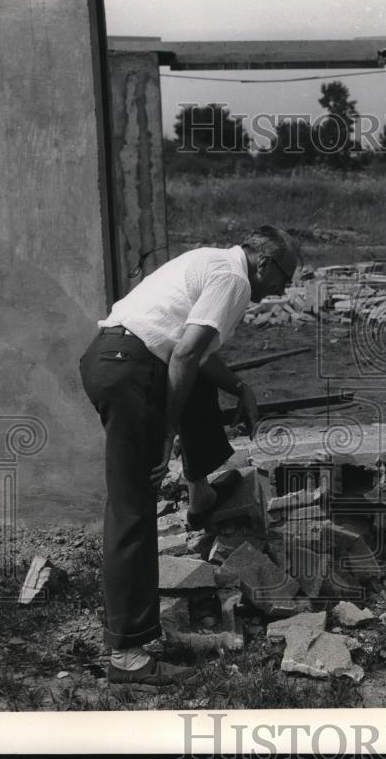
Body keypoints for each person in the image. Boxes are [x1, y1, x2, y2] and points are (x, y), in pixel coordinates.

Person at [79, 226, 299, 684]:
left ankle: (200, 496)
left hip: (118, 358)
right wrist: (165, 434)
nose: (286, 288)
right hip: (128, 370)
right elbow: (183, 355)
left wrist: (239, 386)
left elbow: (193, 355)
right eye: (285, 276)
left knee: (197, 383)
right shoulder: (235, 280)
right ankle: (128, 655)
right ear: (264, 263)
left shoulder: (212, 260)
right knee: (132, 511)